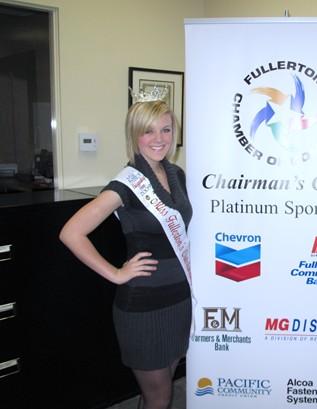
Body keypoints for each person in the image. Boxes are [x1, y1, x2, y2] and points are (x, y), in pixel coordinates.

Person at [60, 93, 193, 409]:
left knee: (161, 390)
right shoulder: (126, 185)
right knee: (160, 397)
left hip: (179, 299)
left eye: (165, 129)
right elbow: (71, 233)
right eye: (148, 131)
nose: (159, 139)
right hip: (144, 306)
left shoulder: (176, 174)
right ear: (134, 135)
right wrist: (117, 273)